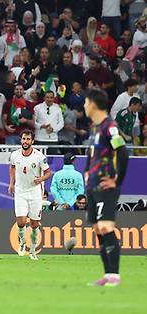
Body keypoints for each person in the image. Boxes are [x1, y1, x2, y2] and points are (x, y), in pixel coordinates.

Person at [83, 88, 129, 286]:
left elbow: (122, 151)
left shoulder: (110, 127)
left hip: (105, 185)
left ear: (93, 104)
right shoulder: (95, 128)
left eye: (86, 102)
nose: (84, 106)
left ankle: (114, 276)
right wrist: (86, 172)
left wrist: (116, 181)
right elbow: (91, 154)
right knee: (97, 229)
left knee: (106, 226)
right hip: (92, 185)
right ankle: (108, 273)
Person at [8, 129, 52, 261]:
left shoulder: (39, 157)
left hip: (34, 193)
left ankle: (32, 250)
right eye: (23, 139)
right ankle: (22, 242)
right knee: (21, 222)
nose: (25, 141)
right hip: (20, 191)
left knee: (34, 224)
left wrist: (40, 179)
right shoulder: (15, 155)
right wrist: (11, 184)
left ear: (32, 141)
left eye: (28, 139)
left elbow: (48, 173)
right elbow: (12, 168)